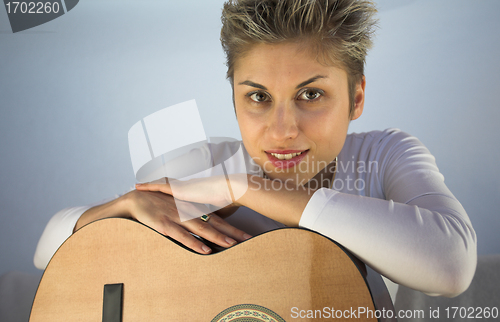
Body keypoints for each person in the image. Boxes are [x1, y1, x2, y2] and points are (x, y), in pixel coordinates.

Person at [34, 0, 476, 301]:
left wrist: (245, 188)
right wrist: (123, 206)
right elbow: (47, 250)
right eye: (259, 97)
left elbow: (452, 266)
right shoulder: (203, 165)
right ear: (234, 99)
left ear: (356, 98)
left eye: (311, 95)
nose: (282, 131)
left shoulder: (386, 154)